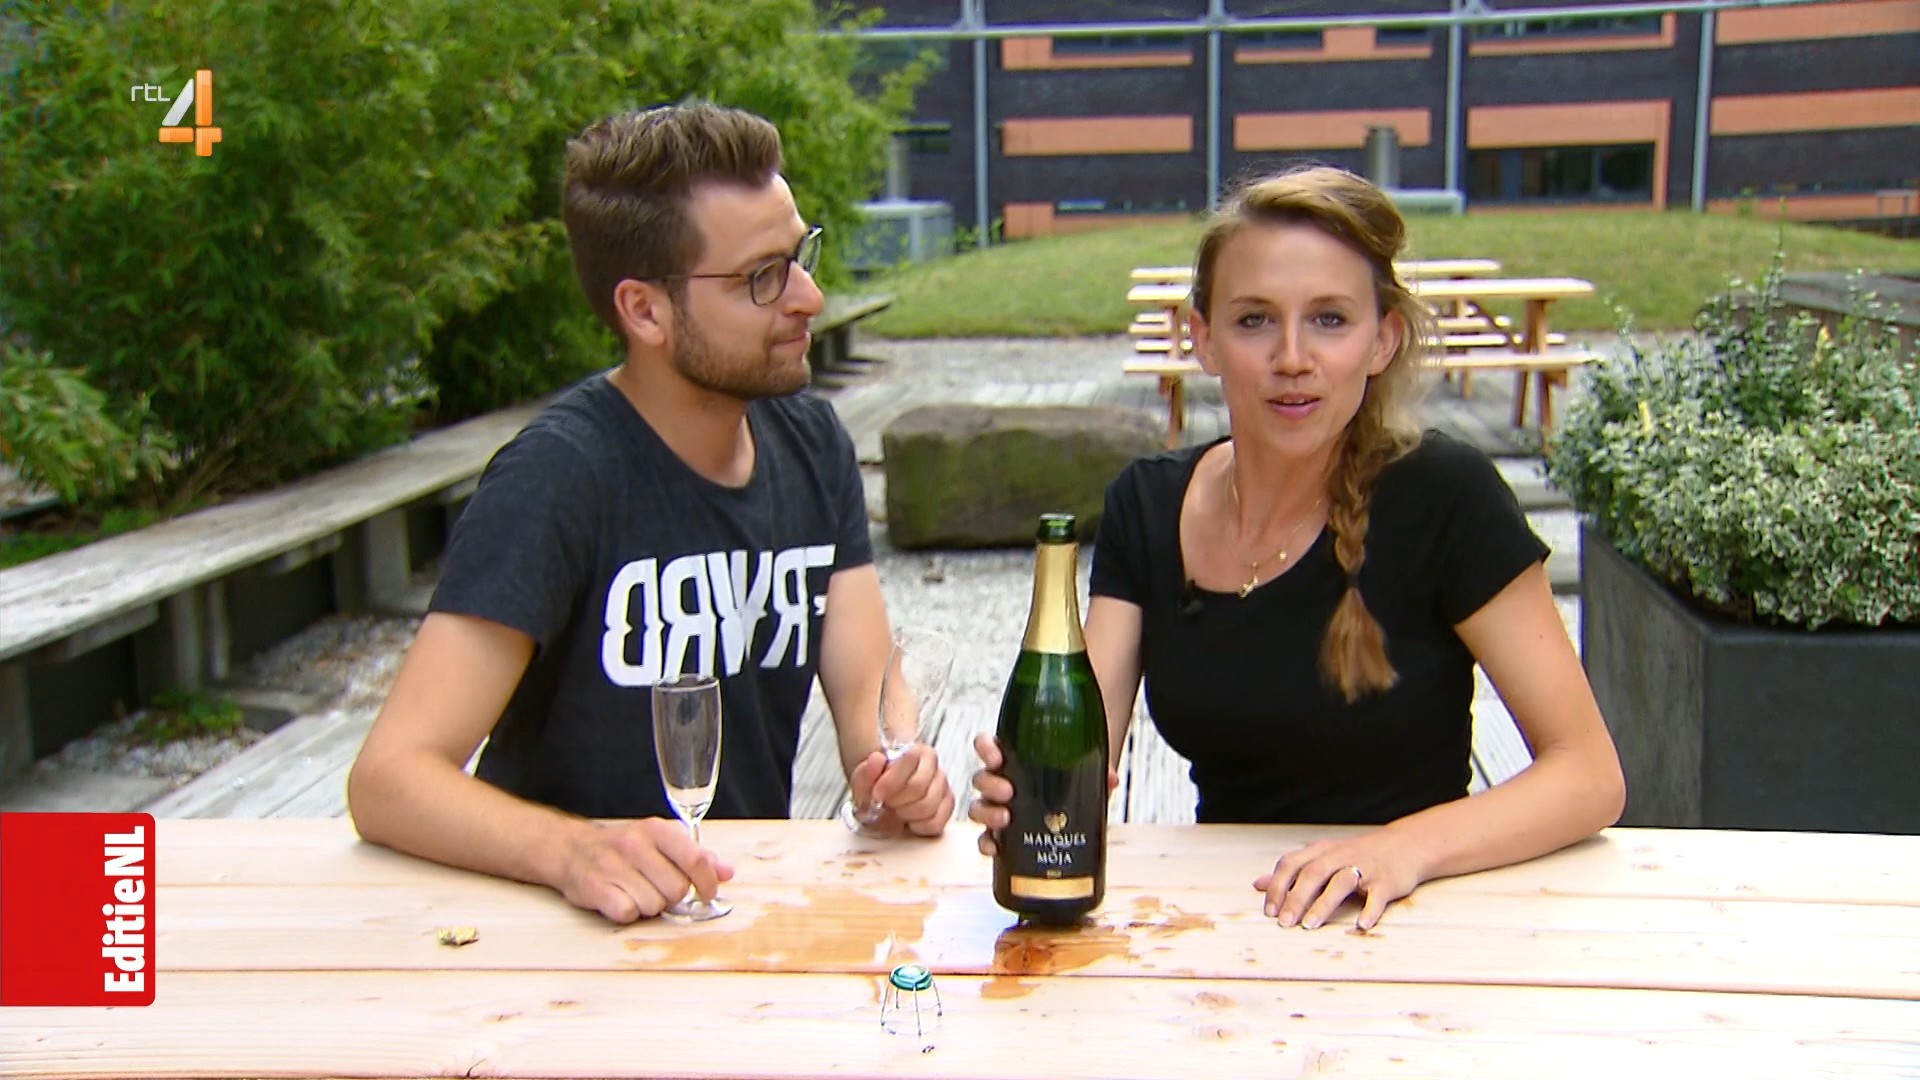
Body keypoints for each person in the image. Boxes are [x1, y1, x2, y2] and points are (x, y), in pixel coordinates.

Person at [970, 165, 1625, 932]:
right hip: (1229, 916)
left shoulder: (1446, 496)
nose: (1292, 356)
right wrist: (1028, 792)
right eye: (1254, 320)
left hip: (1408, 915)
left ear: (1382, 340)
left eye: (1329, 320)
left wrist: (1400, 849)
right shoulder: (1146, 505)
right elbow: (1086, 745)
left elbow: (1589, 774)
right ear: (1201, 338)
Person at [348, 102, 954, 924]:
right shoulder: (558, 477)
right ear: (644, 311)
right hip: (562, 932)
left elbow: (869, 695)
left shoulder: (813, 444)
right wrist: (574, 850)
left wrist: (895, 771)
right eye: (762, 277)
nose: (809, 297)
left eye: (800, 256)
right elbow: (390, 777)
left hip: (735, 912)